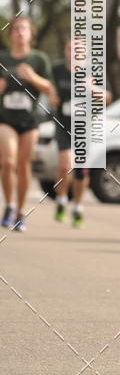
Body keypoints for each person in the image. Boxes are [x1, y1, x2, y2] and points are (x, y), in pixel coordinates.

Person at [0, 15, 58, 232]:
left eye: (24, 28)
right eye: (15, 29)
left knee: (24, 165)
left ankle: (20, 212)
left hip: (30, 120)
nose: (19, 32)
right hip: (5, 118)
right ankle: (9, 205)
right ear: (10, 34)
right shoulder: (3, 58)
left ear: (31, 34)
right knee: (7, 162)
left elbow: (50, 90)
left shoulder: (39, 59)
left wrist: (33, 77)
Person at [52, 38, 112, 227]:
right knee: (65, 164)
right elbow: (48, 89)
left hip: (84, 127)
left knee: (81, 171)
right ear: (65, 50)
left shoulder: (94, 71)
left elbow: (108, 97)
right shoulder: (57, 70)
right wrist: (51, 96)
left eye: (79, 50)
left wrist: (92, 89)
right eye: (71, 48)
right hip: (63, 125)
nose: (74, 52)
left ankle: (77, 207)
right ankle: (61, 198)